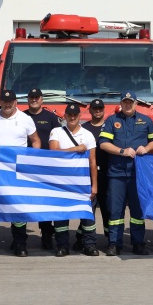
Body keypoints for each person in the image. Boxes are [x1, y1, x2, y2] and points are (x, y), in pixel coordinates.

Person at [0, 89, 41, 257]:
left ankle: (20, 244)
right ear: (0, 102)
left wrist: (32, 162)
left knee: (18, 207)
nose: (7, 104)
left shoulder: (25, 119)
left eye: (10, 101)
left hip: (18, 171)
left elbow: (36, 141)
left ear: (15, 102)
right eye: (4, 101)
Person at [99, 91, 153, 256]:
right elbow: (103, 143)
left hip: (138, 174)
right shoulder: (112, 120)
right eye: (125, 101)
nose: (127, 104)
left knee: (137, 212)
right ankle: (114, 243)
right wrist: (122, 151)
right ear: (121, 103)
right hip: (116, 173)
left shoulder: (146, 121)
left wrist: (146, 148)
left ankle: (138, 243)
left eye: (130, 102)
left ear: (136, 103)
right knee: (115, 211)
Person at [49, 102, 99, 256]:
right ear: (64, 116)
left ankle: (89, 245)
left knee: (87, 216)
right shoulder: (56, 132)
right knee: (61, 217)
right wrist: (76, 149)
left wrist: (94, 186)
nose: (72, 117)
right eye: (69, 115)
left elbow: (93, 162)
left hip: (82, 183)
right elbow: (54, 153)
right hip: (61, 184)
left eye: (75, 115)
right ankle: (62, 246)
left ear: (79, 116)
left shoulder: (88, 135)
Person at [25, 87, 61, 250]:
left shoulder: (51, 118)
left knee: (45, 202)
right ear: (28, 99)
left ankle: (46, 233)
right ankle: (19, 236)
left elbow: (59, 138)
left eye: (37, 97)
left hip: (47, 167)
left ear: (41, 99)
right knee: (23, 200)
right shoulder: (21, 117)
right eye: (31, 97)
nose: (34, 100)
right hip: (25, 165)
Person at [77, 98, 110, 250]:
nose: (98, 111)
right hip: (88, 174)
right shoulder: (83, 129)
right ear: (89, 110)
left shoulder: (110, 126)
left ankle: (111, 239)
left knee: (108, 208)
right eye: (95, 108)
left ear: (104, 110)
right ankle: (82, 239)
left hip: (107, 172)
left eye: (100, 108)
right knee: (88, 208)